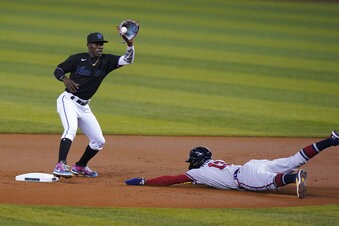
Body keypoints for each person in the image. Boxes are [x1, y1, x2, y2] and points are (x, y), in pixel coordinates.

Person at [126, 130, 339, 199]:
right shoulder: (213, 163)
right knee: (294, 159)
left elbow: (173, 179)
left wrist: (145, 181)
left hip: (246, 178)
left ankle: (294, 178)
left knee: (270, 183)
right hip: (253, 164)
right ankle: (331, 140)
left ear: (196, 161)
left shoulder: (199, 173)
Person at [52, 30, 135, 178]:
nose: (100, 46)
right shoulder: (77, 59)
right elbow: (58, 70)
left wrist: (130, 45)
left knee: (98, 141)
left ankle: (80, 166)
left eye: (101, 44)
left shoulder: (106, 61)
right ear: (88, 45)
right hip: (68, 101)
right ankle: (60, 164)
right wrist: (65, 79)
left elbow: (128, 60)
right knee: (70, 129)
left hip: (84, 106)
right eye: (97, 44)